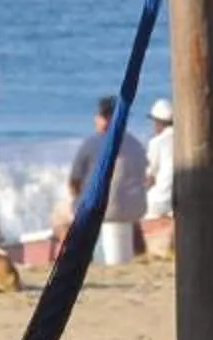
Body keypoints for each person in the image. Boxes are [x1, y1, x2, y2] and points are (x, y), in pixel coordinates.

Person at [61, 95, 150, 265]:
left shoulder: (92, 142)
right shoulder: (136, 144)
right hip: (136, 208)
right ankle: (138, 254)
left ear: (104, 118)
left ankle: (77, 259)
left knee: (62, 218)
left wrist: (78, 198)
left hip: (105, 209)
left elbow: (74, 181)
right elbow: (144, 176)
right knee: (125, 205)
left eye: (99, 116)